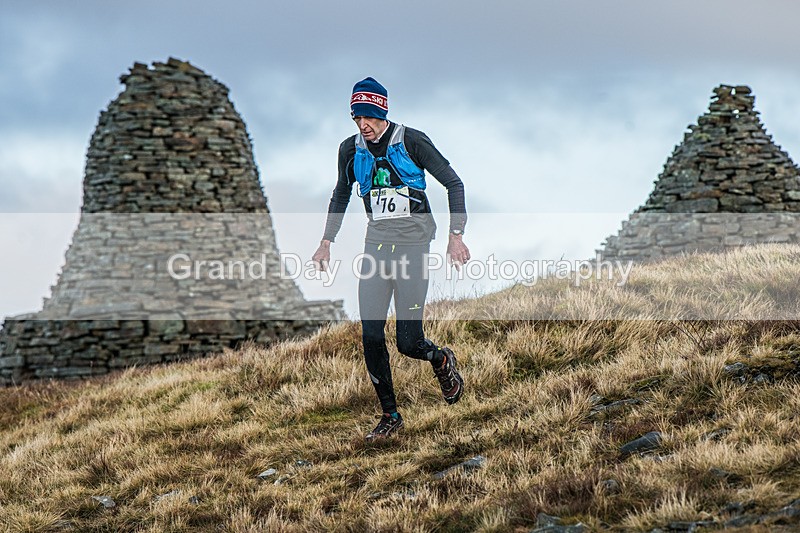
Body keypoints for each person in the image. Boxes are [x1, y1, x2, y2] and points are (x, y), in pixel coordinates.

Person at [312, 77, 471, 441]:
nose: (362, 125)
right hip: (376, 248)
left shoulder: (412, 140)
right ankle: (390, 416)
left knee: (408, 342)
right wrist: (326, 242)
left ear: (382, 112)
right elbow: (341, 195)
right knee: (370, 334)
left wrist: (455, 236)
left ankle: (441, 361)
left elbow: (454, 183)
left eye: (368, 117)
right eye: (356, 118)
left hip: (413, 248)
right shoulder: (350, 150)